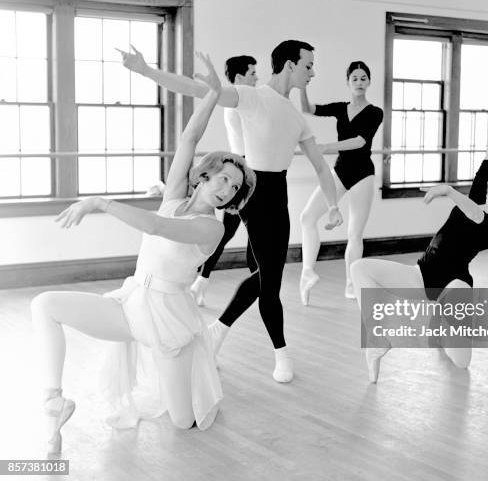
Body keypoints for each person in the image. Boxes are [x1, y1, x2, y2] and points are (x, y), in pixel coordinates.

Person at [31, 76, 255, 454]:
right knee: (44, 305)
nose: (227, 189)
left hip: (167, 319)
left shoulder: (210, 229)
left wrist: (100, 203)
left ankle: (193, 376)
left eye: (234, 188)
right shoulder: (173, 198)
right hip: (132, 302)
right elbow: (188, 140)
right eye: (223, 178)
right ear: (203, 176)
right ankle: (54, 400)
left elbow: (155, 226)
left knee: (184, 421)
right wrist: (213, 95)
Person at [121, 41, 343, 383]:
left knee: (267, 275)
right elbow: (199, 89)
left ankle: (218, 332)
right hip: (253, 189)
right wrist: (146, 70)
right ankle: (281, 352)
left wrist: (332, 205)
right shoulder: (253, 96)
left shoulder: (296, 117)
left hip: (278, 195)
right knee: (270, 284)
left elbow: (320, 166)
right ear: (289, 65)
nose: (313, 72)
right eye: (308, 65)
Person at [351, 94, 488, 383]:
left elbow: (477, 218)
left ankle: (441, 327)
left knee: (461, 363)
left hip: (454, 285)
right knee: (359, 269)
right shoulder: (479, 197)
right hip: (421, 274)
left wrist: (450, 191)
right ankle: (378, 336)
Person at [299, 61, 383, 304]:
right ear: (348, 82)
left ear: (369, 82)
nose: (359, 82)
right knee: (307, 216)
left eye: (363, 78)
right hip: (341, 171)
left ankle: (351, 284)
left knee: (354, 234)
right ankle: (307, 272)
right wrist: (303, 85)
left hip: (362, 175)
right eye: (355, 78)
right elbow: (307, 108)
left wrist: (326, 146)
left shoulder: (375, 112)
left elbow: (360, 141)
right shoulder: (339, 108)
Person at [190, 55, 259, 306]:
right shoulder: (241, 105)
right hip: (245, 173)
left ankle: (201, 281)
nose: (257, 78)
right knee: (253, 233)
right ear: (240, 77)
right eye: (253, 73)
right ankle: (257, 281)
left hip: (243, 172)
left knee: (230, 232)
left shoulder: (239, 104)